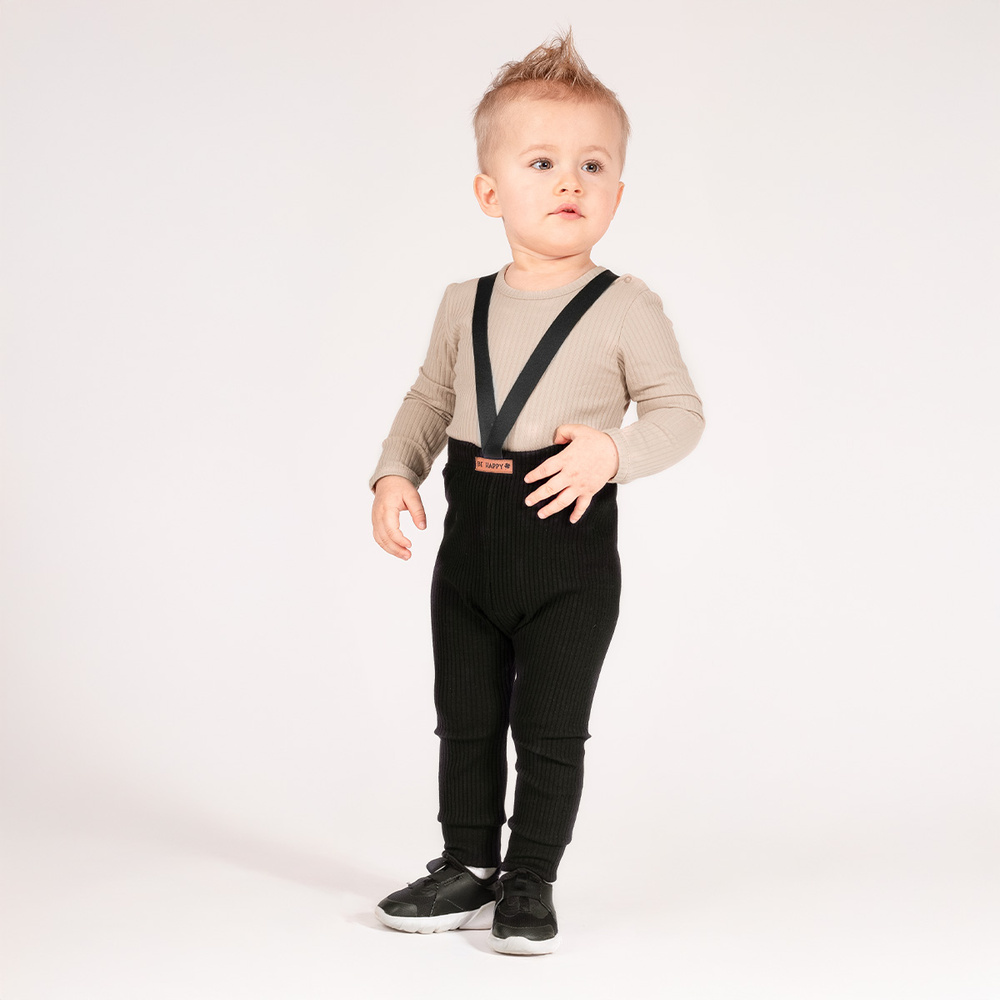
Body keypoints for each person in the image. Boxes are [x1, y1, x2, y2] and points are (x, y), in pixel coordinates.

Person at [367, 28, 704, 955]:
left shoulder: (627, 305)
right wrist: (395, 471)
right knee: (466, 718)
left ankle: (531, 879)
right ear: (490, 192)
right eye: (543, 162)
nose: (570, 183)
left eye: (593, 166)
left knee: (551, 727)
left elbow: (680, 414)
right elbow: (429, 399)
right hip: (471, 548)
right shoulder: (462, 302)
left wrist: (611, 455)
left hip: (567, 554)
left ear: (618, 193)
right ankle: (465, 864)